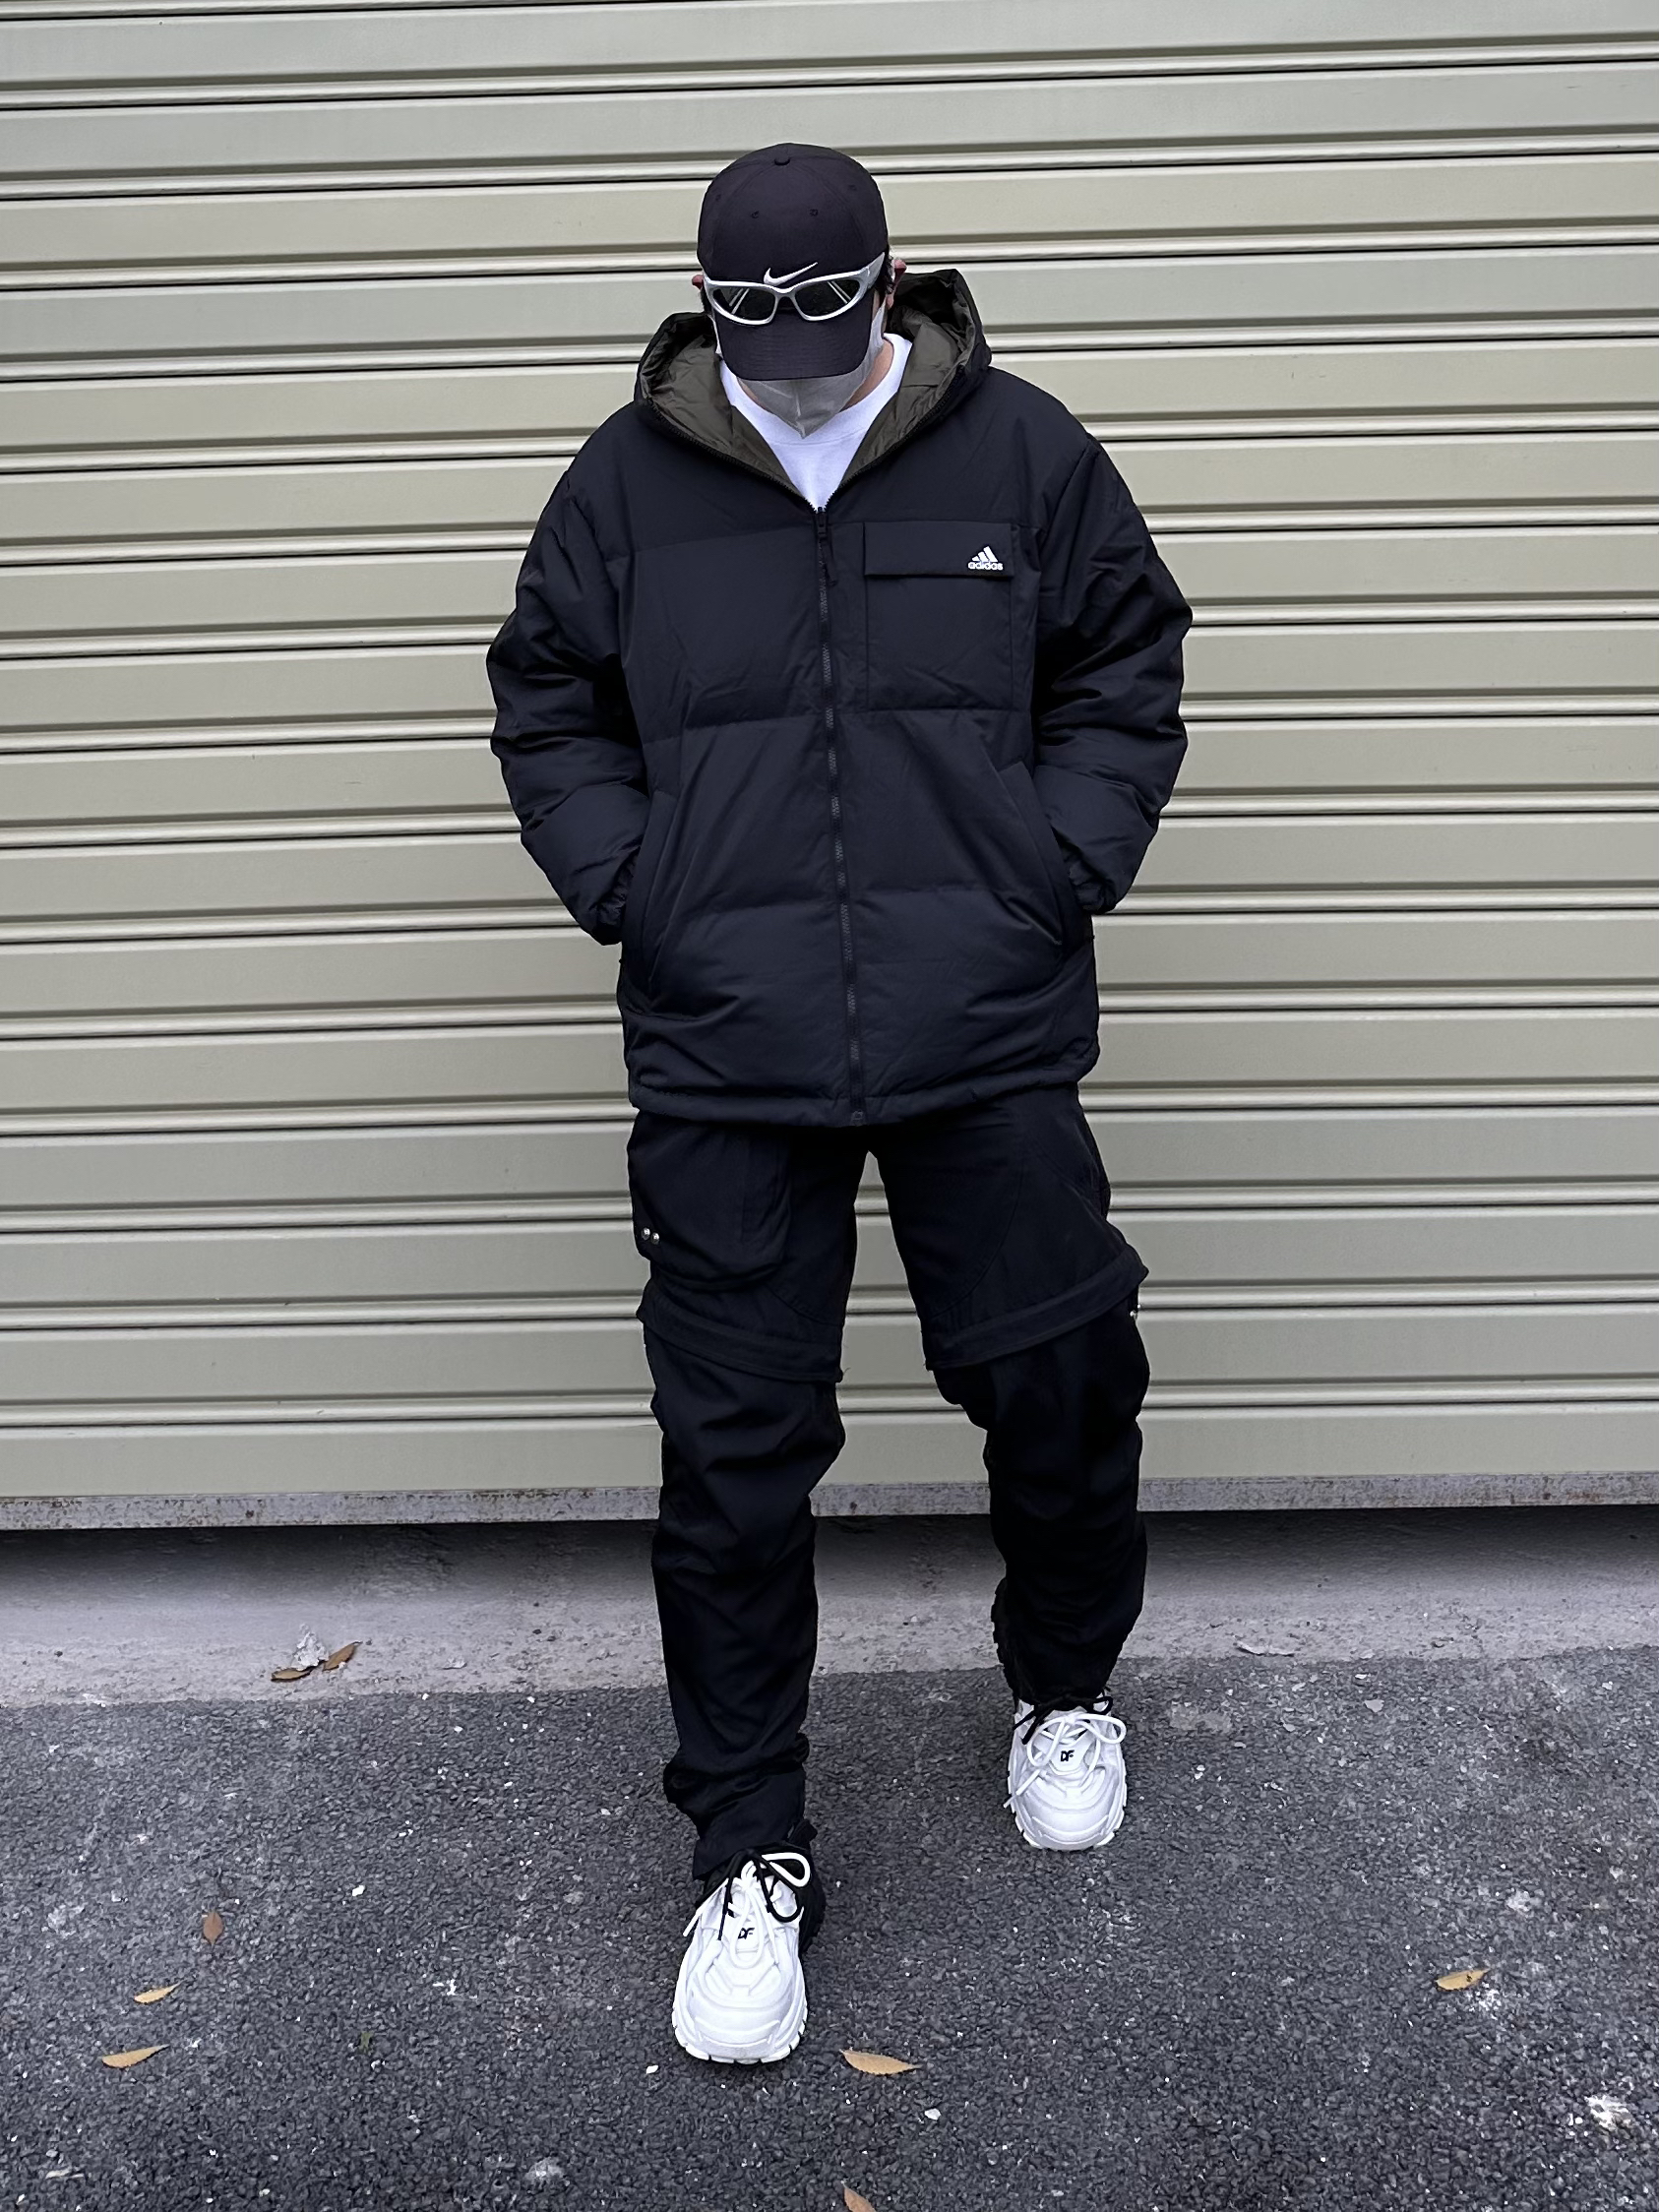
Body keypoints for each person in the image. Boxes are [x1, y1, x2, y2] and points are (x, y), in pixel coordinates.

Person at [487, 143, 1191, 2066]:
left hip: (985, 1025)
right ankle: (746, 1849)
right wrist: (639, 885)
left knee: (1060, 1379)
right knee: (730, 1461)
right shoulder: (625, 484)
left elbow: (1125, 662)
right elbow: (547, 701)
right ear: (706, 310)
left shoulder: (1023, 455)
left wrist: (1054, 863)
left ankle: (1064, 1686)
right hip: (729, 1046)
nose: (788, 356)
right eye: (748, 325)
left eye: (820, 316)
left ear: (887, 289)